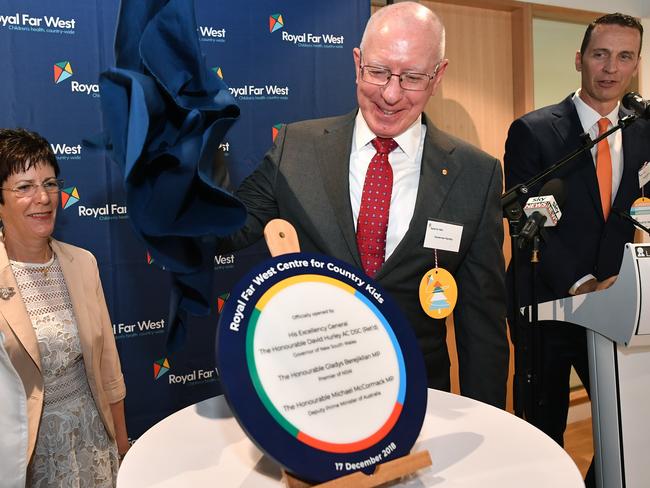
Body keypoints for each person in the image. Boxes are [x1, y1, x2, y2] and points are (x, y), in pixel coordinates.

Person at [220, 2, 508, 408]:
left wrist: (488, 424)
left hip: (416, 401)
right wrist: (180, 164)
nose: (390, 95)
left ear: (438, 76)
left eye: (411, 78)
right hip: (309, 395)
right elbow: (225, 229)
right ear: (357, 63)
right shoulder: (296, 149)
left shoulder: (476, 176)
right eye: (378, 72)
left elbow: (483, 327)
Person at [504, 12, 649, 484]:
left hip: (617, 307)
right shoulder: (535, 130)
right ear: (579, 59)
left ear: (636, 65)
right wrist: (586, 284)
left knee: (627, 423)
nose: (610, 67)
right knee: (545, 429)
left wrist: (620, 285)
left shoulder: (644, 129)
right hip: (547, 300)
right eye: (600, 54)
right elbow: (527, 220)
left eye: (624, 56)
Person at [0, 128, 129, 486]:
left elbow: (108, 367)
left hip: (92, 440)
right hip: (25, 458)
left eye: (50, 183)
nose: (43, 197)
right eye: (24, 187)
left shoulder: (82, 263)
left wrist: (121, 442)